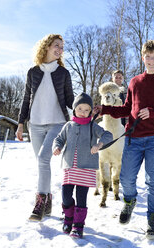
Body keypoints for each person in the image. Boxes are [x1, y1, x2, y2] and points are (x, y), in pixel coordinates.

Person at [94, 40, 154, 240]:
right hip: (133, 139)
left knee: (153, 181)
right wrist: (105, 109)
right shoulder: (135, 82)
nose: (151, 61)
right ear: (143, 58)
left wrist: (153, 113)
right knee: (125, 178)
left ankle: (153, 219)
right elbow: (126, 109)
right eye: (148, 57)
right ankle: (130, 201)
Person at [16, 34, 74, 221]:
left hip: (57, 123)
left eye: (62, 47)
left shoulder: (63, 73)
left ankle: (39, 203)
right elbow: (26, 99)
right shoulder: (33, 71)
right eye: (56, 45)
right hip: (35, 125)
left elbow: (71, 99)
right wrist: (20, 123)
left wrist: (85, 107)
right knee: (42, 164)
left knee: (43, 158)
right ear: (46, 47)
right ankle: (47, 199)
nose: (60, 49)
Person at [53, 93, 112, 238]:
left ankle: (78, 226)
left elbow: (108, 135)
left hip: (86, 168)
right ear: (74, 109)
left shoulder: (93, 126)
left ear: (91, 111)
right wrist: (57, 147)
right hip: (70, 167)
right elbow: (59, 138)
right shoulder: (68, 125)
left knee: (81, 198)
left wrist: (99, 144)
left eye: (87, 110)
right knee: (66, 196)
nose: (83, 112)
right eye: (80, 109)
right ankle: (69, 218)